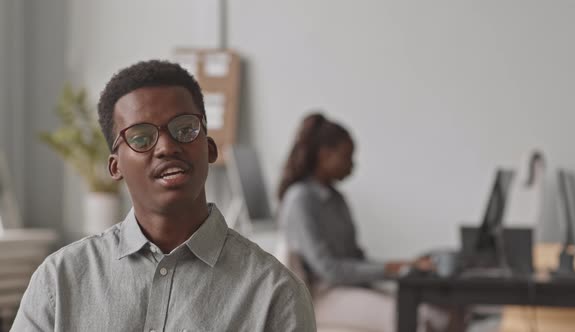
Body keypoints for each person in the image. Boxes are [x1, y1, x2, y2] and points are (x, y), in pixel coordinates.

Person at [12, 60, 315, 331]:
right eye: (141, 138)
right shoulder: (59, 280)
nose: (167, 147)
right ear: (115, 167)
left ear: (209, 149)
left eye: (185, 129)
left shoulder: (276, 294)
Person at [277, 113, 456, 332]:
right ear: (324, 155)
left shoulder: (337, 199)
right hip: (324, 295)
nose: (352, 165)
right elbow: (329, 270)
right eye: (347, 157)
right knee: (417, 320)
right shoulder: (300, 200)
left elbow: (355, 258)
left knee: (441, 316)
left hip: (352, 287)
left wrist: (405, 267)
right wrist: (394, 268)